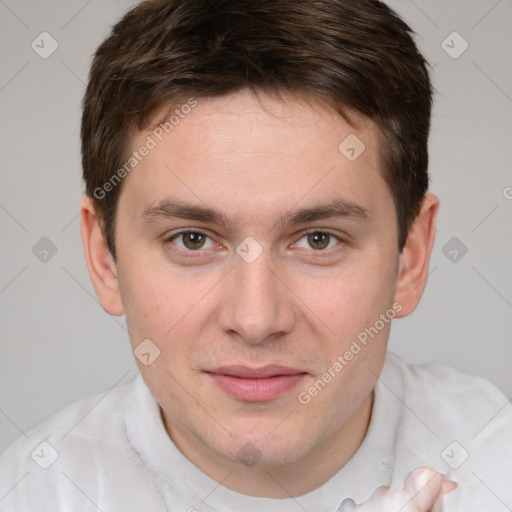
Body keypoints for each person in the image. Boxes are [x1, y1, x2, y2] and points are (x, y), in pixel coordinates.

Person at [1, 0, 510, 510]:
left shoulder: (493, 461)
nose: (255, 319)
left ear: (411, 257)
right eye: (192, 239)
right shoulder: (34, 491)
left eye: (318, 239)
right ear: (105, 258)